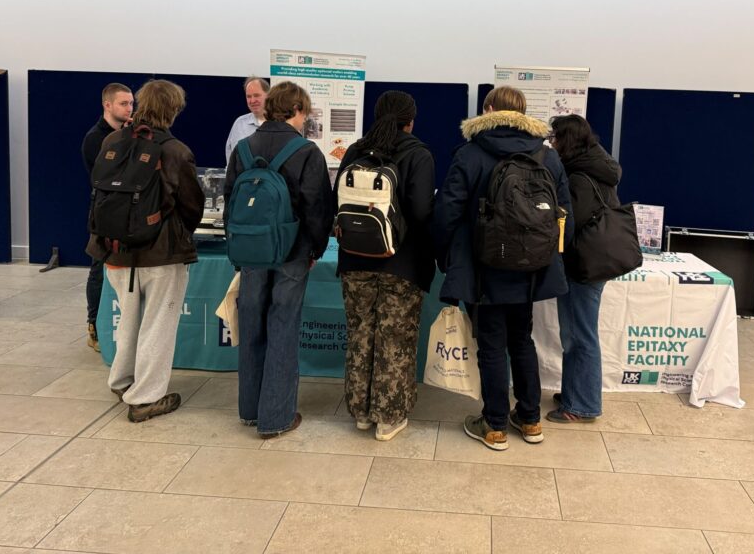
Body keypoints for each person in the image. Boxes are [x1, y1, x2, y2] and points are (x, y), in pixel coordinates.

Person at [434, 86, 572, 451]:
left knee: (492, 344)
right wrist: (547, 255)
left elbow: (447, 212)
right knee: (522, 340)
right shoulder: (547, 156)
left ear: (489, 109)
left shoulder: (470, 154)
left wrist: (445, 254)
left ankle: (494, 425)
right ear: (523, 112)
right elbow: (564, 218)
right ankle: (530, 419)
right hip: (531, 269)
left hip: (483, 267)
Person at [87, 79, 204, 422]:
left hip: (114, 249)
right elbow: (192, 207)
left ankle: (122, 381)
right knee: (157, 325)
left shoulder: (112, 141)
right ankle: (146, 398)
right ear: (174, 110)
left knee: (128, 319)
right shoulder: (176, 151)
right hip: (160, 254)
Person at [224, 81, 334, 439]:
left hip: (251, 251)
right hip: (292, 252)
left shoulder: (243, 147)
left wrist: (237, 246)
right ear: (297, 110)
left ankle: (250, 409)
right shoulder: (307, 152)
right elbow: (318, 208)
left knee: (252, 324)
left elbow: (230, 199)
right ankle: (276, 417)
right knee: (283, 327)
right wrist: (315, 249)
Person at [334, 91, 435, 442]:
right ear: (411, 120)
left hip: (353, 260)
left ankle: (361, 411)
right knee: (395, 339)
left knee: (360, 333)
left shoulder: (354, 151)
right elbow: (421, 212)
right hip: (401, 263)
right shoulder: (418, 155)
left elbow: (337, 200)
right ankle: (389, 417)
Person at [548, 114, 622, 423]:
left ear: (566, 140)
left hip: (583, 265)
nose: (551, 143)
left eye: (554, 138)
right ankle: (574, 392)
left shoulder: (578, 177)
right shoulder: (597, 167)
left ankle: (581, 405)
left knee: (579, 335)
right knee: (576, 332)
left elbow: (568, 225)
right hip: (594, 262)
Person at [80, 82, 134, 352]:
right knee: (99, 267)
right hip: (105, 213)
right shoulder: (95, 139)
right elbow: (108, 176)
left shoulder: (131, 133)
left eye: (131, 103)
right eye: (124, 103)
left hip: (130, 212)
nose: (129, 108)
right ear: (107, 105)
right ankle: (94, 327)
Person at [224, 76, 270, 164]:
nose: (252, 100)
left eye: (256, 95)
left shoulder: (279, 123)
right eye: (248, 96)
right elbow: (231, 157)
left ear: (268, 95)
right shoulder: (239, 124)